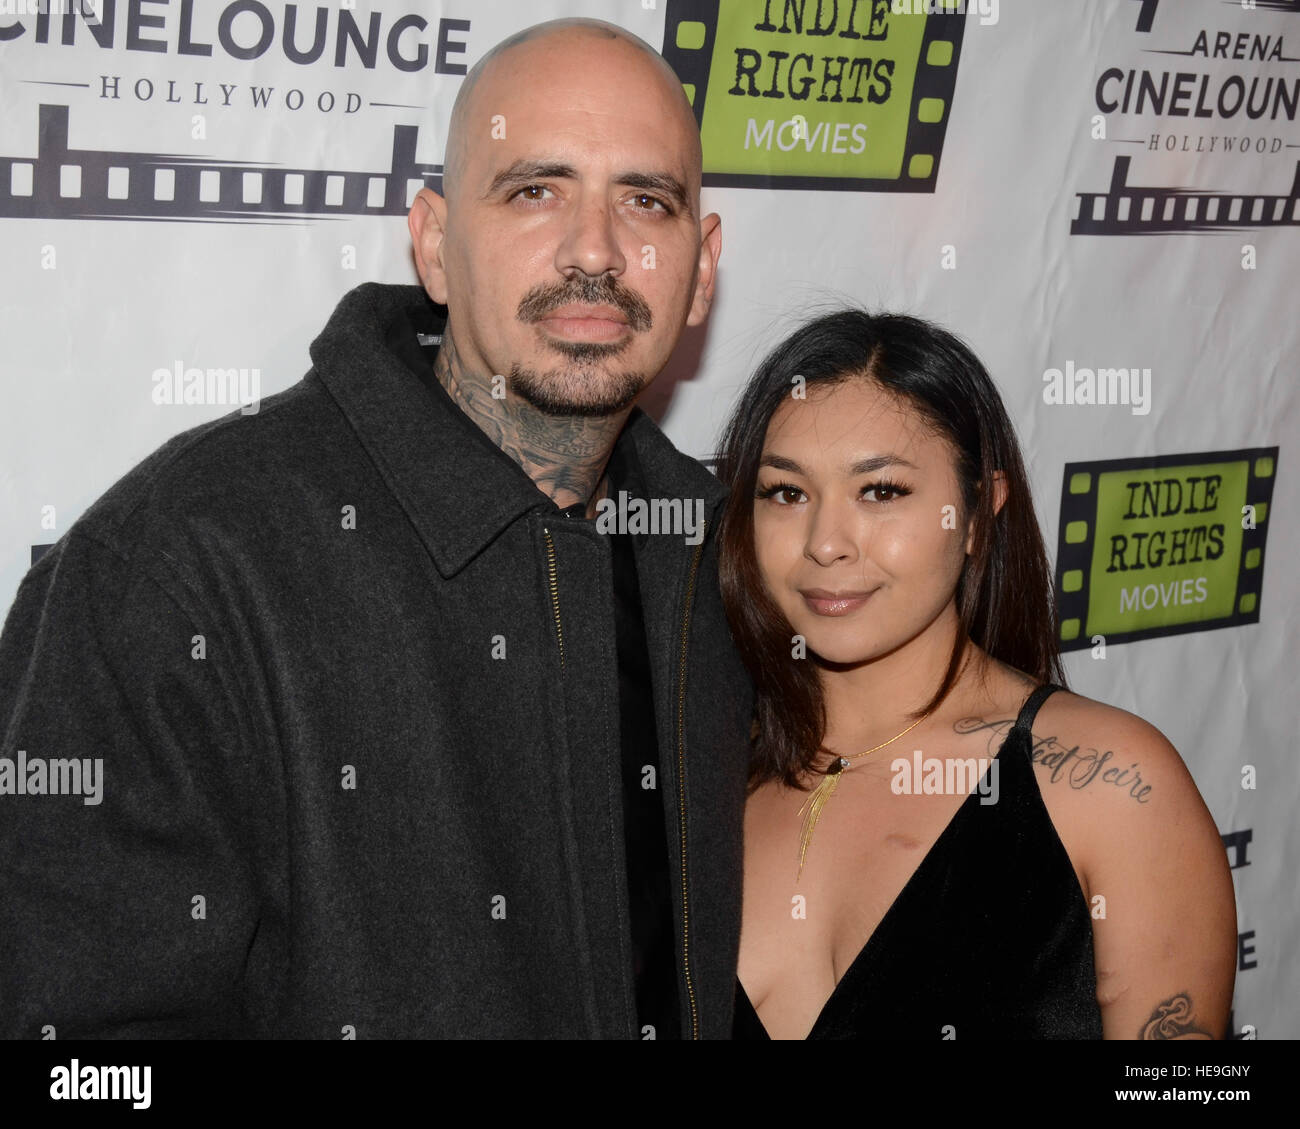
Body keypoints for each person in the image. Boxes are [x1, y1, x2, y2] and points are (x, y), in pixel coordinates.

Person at [0, 18, 753, 1039]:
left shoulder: (729, 561)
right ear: (435, 244)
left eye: (646, 201)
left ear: (700, 265)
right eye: (536, 190)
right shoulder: (183, 562)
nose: (595, 251)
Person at [715, 310, 1237, 1040]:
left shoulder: (1110, 785)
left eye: (882, 491)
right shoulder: (702, 778)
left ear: (977, 516)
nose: (825, 542)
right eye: (787, 492)